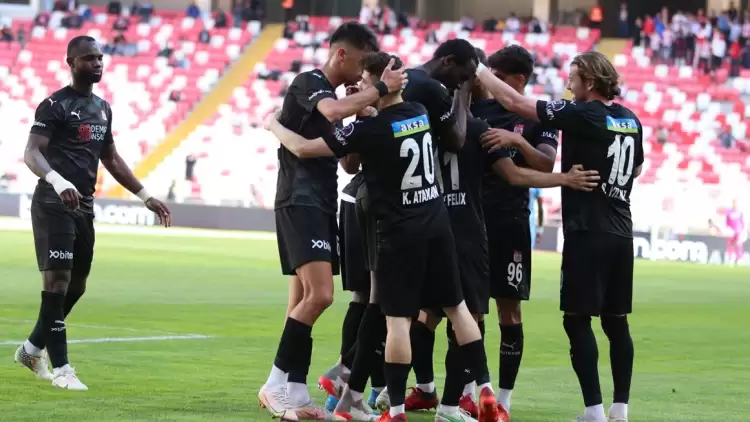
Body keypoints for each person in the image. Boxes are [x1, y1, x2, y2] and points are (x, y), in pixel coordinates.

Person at [267, 52, 498, 422]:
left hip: (398, 232)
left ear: (382, 81)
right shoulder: (419, 113)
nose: (360, 86)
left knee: (396, 320)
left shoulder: (369, 130)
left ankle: (396, 410)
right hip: (437, 224)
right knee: (458, 308)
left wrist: (273, 125)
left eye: (365, 80)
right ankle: (485, 388)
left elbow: (306, 149)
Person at [476, 50, 643, 422]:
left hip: (587, 230)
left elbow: (515, 102)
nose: (568, 84)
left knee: (576, 319)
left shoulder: (582, 113)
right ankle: (620, 409)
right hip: (622, 230)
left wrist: (476, 67)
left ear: (590, 82)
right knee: (616, 322)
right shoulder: (631, 119)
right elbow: (637, 167)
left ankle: (594, 410)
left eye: (573, 78)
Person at [258, 22, 406, 421]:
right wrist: (378, 89)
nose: (363, 71)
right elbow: (331, 113)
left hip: (322, 202)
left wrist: (362, 113)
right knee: (321, 295)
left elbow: (348, 162)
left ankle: (295, 390)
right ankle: (274, 384)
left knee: (301, 299)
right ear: (341, 54)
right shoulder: (310, 82)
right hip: (300, 199)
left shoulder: (339, 98)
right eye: (361, 61)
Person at [322, 38, 479, 412]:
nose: (464, 81)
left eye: (365, 81)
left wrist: (355, 113)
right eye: (464, 74)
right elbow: (456, 138)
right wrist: (464, 95)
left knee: (378, 303)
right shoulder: (424, 102)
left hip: (379, 208)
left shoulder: (400, 105)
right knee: (393, 307)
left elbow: (347, 163)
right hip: (408, 213)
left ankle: (352, 387)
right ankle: (355, 386)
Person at [14, 35, 171, 391]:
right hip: (54, 202)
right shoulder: (54, 105)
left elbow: (111, 158)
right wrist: (57, 181)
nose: (97, 63)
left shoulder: (102, 108)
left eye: (100, 57)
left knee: (77, 286)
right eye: (89, 58)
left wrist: (145, 195)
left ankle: (31, 349)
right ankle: (63, 369)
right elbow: (32, 152)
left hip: (84, 204)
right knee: (57, 282)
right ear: (71, 62)